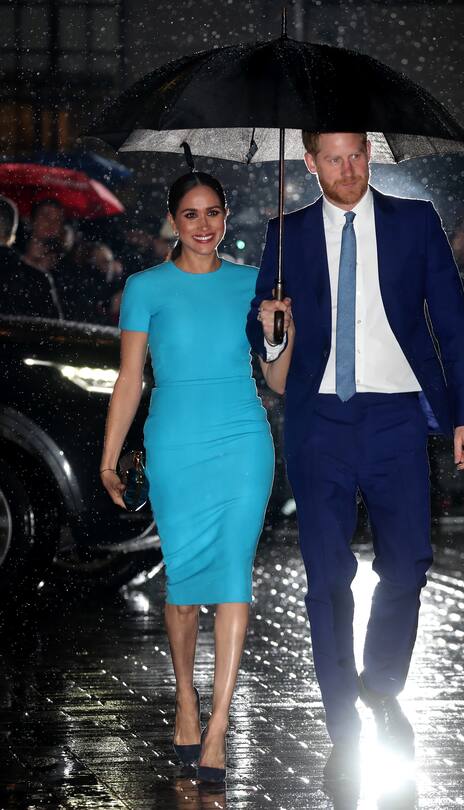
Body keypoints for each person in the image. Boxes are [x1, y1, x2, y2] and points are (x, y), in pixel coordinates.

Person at [247, 132, 464, 787]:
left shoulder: (414, 222)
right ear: (309, 163)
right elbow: (264, 335)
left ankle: (381, 683)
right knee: (326, 580)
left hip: (398, 418)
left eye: (357, 155)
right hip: (317, 421)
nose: (348, 169)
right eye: (334, 158)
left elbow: (454, 325)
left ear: (369, 156)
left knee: (407, 564)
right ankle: (342, 729)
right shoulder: (286, 234)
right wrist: (272, 329)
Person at [100, 171, 293, 783]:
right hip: (175, 443)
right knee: (183, 588)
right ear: (173, 221)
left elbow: (280, 381)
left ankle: (218, 728)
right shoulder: (144, 288)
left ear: (226, 216)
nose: (204, 225)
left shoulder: (255, 285)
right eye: (191, 214)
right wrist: (109, 458)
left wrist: (275, 333)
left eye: (213, 212)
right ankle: (186, 697)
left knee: (234, 576)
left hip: (242, 440)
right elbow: (130, 379)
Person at [0, 195, 61, 319]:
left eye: (57, 219)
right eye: (46, 216)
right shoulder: (30, 273)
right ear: (31, 220)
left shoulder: (66, 269)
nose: (51, 223)